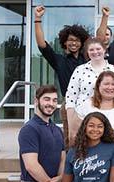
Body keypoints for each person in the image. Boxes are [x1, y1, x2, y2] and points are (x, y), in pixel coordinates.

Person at [34, 5, 89, 149]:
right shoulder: (59, 60)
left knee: (90, 137)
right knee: (69, 138)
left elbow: (101, 38)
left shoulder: (87, 59)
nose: (74, 43)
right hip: (69, 104)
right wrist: (37, 19)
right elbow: (41, 44)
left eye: (77, 40)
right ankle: (68, 169)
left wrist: (104, 17)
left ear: (82, 42)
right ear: (65, 42)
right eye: (71, 40)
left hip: (89, 102)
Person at [65, 38, 114, 146]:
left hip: (110, 118)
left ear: (104, 50)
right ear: (87, 52)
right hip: (83, 117)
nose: (95, 52)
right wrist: (71, 123)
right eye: (91, 50)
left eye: (98, 49)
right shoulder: (80, 70)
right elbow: (71, 97)